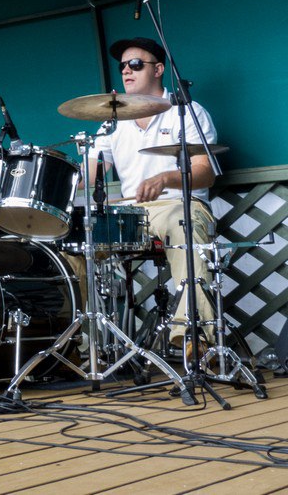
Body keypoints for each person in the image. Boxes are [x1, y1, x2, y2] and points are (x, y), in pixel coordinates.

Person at [89, 37, 218, 358]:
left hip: (178, 204)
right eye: (122, 67)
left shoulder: (186, 112)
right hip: (132, 213)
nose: (126, 71)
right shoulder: (113, 120)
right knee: (76, 243)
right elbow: (87, 175)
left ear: (159, 69)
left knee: (182, 225)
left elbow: (205, 171)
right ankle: (85, 342)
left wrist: (166, 178)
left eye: (135, 64)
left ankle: (192, 335)